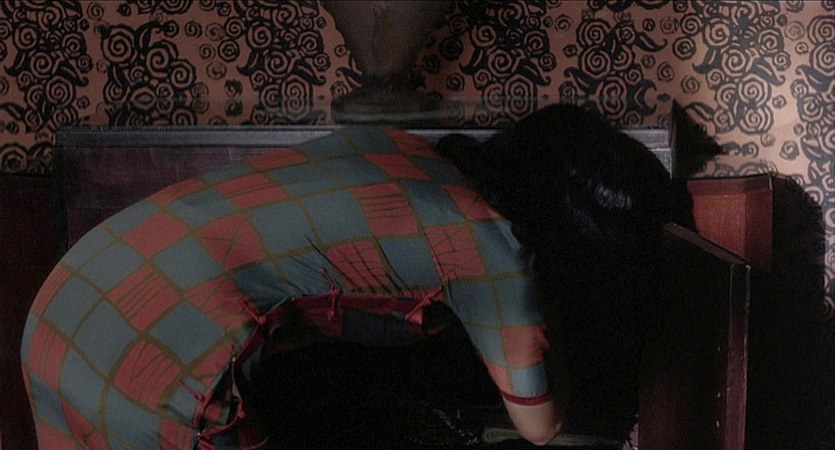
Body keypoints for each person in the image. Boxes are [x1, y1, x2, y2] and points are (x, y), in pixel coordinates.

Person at [21, 104, 679, 448]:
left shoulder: (402, 150)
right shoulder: (488, 248)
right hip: (154, 371)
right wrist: (544, 310)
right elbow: (542, 427)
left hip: (67, 306)